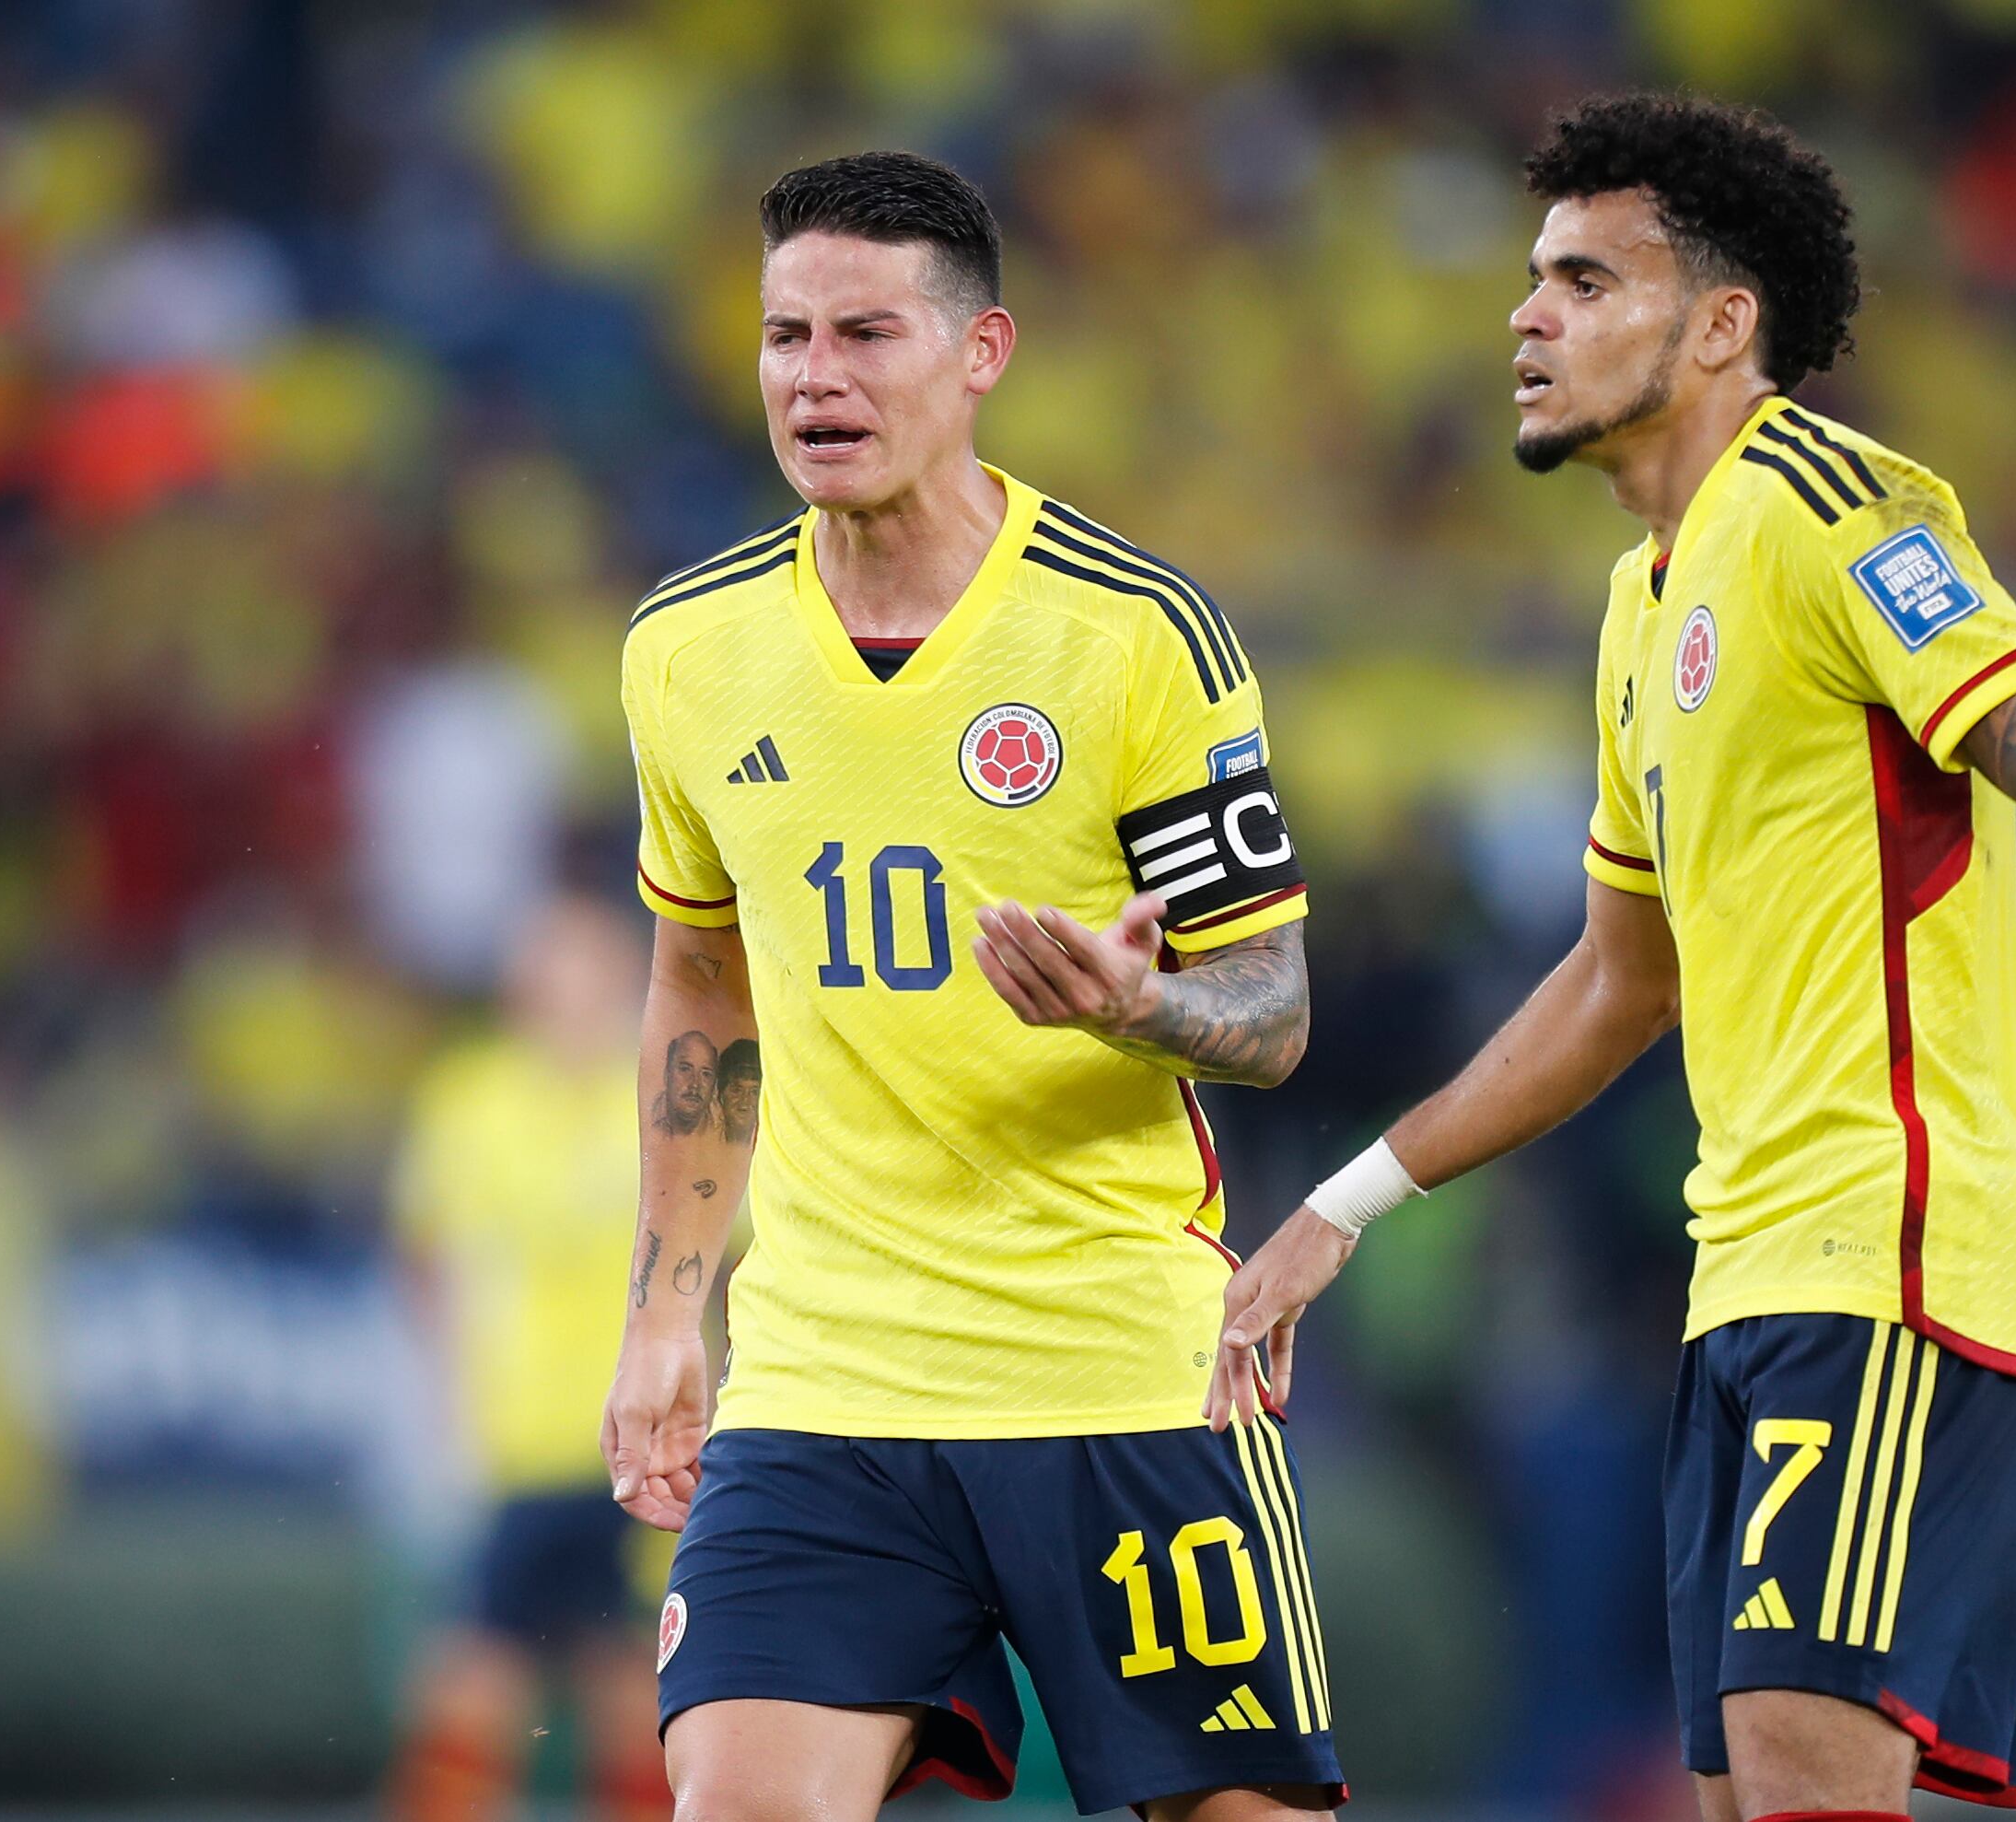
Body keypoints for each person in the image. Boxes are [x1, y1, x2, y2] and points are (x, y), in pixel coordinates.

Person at [1205, 94, 2016, 1817]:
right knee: (1752, 1791)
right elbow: (1623, 979)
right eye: (1531, 282)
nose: (1527, 318)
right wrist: (1348, 1202)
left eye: (1581, 279)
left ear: (1719, 322)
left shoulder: (1833, 506)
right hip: (1748, 1282)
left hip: (1888, 1263)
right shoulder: (1640, 604)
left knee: (1801, 1782)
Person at [600, 152, 1339, 1822]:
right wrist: (665, 1306)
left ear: (981, 352)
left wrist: (1133, 1008)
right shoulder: (686, 648)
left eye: (867, 332)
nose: (816, 376)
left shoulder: (1132, 633)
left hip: (1113, 1364)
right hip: (823, 1383)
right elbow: (700, 980)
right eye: (786, 333)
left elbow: (1274, 1007)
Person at [387, 893, 670, 1822]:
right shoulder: (473, 1103)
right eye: (552, 969)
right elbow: (425, 1258)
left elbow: (736, 1257)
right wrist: (453, 1393)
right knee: (477, 1682)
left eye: (589, 970)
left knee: (632, 1690)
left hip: (640, 1446)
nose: (570, 993)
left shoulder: (669, 1094)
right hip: (523, 1443)